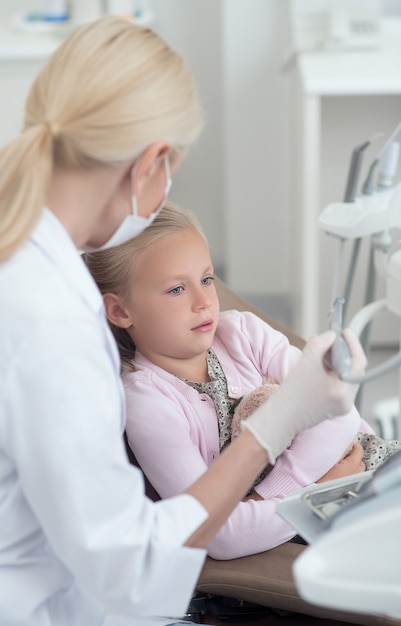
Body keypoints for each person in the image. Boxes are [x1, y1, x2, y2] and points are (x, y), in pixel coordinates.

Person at [0, 15, 366, 626]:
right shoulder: (48, 323)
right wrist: (278, 425)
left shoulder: (27, 262)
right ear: (152, 161)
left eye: (206, 280)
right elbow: (133, 565)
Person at [84, 201, 380, 559]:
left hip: (373, 468)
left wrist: (261, 498)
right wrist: (315, 492)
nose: (204, 302)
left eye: (206, 279)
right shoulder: (148, 403)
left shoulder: (244, 333)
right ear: (120, 310)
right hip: (336, 514)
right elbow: (220, 535)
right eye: (176, 289)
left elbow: (341, 411)